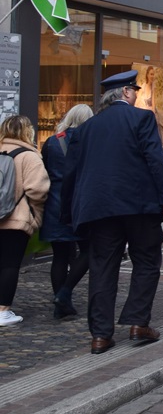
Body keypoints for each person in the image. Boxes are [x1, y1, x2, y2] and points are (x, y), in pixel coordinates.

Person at [61, 70, 163, 354]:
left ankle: (100, 335)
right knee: (146, 261)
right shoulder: (142, 118)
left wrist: (68, 213)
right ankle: (138, 323)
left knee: (102, 267)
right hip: (139, 205)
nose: (136, 95)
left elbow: (70, 173)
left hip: (100, 208)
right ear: (125, 92)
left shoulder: (85, 128)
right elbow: (154, 159)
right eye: (134, 90)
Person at [40, 104, 94, 319]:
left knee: (60, 255)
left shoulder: (52, 142)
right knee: (89, 250)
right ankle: (65, 292)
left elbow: (44, 170)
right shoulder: (90, 142)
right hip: (80, 203)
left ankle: (60, 305)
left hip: (55, 203)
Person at [0, 116, 51, 327]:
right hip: (17, 219)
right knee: (10, 265)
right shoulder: (29, 156)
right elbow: (38, 190)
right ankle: (3, 311)